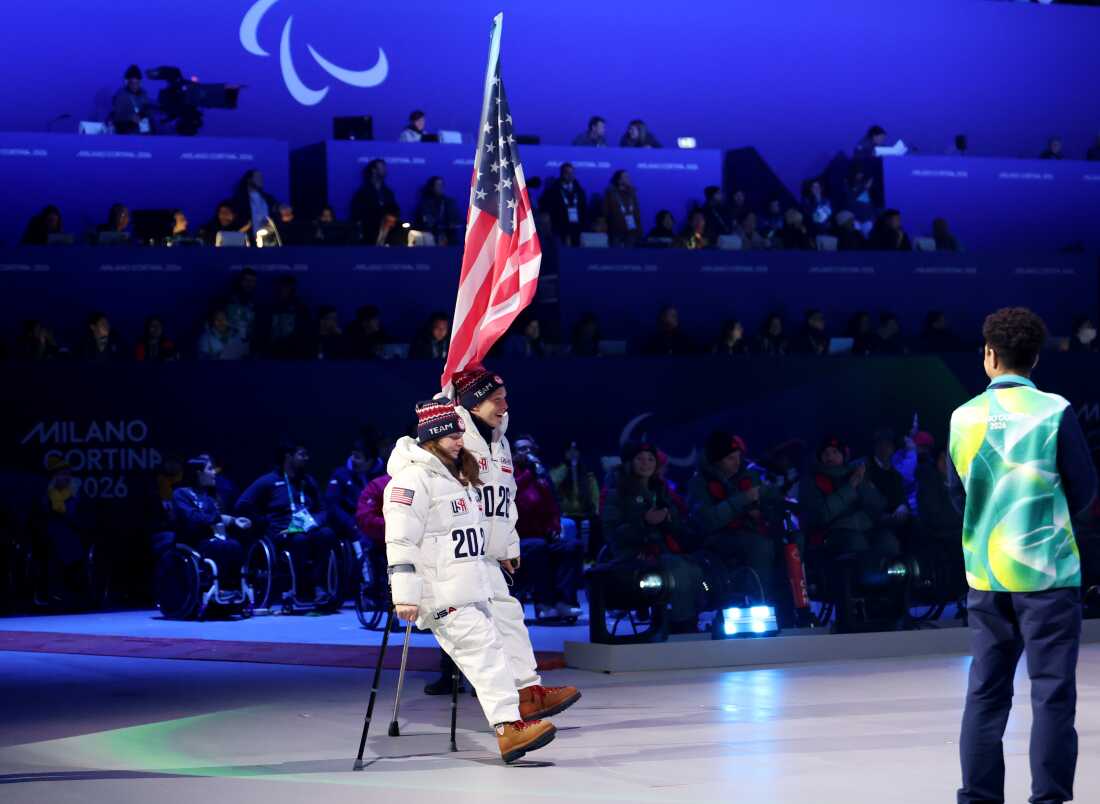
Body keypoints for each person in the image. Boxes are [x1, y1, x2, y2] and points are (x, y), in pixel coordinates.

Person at [948, 307, 1097, 804]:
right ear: (1034, 359)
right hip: (1048, 575)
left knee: (986, 694)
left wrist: (990, 524)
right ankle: (1048, 799)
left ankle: (978, 797)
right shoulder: (1055, 410)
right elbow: (1084, 488)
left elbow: (957, 494)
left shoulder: (963, 416)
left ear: (989, 355)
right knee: (1051, 693)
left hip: (986, 577)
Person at [384, 398, 570, 763]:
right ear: (432, 438)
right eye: (452, 435)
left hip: (467, 587)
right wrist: (404, 596)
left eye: (460, 433)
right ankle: (508, 730)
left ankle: (511, 725)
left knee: (493, 651)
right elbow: (400, 540)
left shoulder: (457, 476)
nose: (460, 440)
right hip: (439, 593)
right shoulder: (411, 480)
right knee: (485, 655)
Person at [450, 369, 583, 715]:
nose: (505, 406)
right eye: (497, 400)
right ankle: (507, 716)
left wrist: (508, 546)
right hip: (454, 559)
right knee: (481, 636)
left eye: (505, 398)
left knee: (510, 617)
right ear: (473, 404)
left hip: (486, 556)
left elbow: (505, 500)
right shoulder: (454, 439)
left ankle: (528, 692)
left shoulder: (501, 443)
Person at [603, 441, 704, 632]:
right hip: (632, 555)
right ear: (629, 462)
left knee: (695, 568)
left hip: (662, 550)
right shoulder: (617, 492)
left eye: (650, 459)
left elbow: (677, 526)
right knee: (676, 568)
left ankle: (689, 619)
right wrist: (644, 522)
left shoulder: (660, 489)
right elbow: (613, 533)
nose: (646, 463)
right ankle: (680, 624)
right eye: (640, 459)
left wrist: (669, 518)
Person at [236, 440, 339, 602]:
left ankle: (318, 584)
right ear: (288, 456)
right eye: (302, 455)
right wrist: (263, 521)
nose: (306, 458)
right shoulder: (269, 481)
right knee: (299, 539)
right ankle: (302, 586)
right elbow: (242, 503)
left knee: (327, 534)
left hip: (309, 528)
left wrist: (316, 520)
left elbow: (323, 509)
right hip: (283, 531)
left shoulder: (308, 481)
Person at [687, 433, 779, 606]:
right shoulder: (699, 483)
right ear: (717, 460)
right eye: (730, 458)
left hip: (752, 531)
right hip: (717, 539)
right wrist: (743, 500)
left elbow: (771, 500)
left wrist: (763, 512)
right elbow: (707, 520)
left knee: (791, 542)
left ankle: (792, 604)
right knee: (759, 546)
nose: (737, 462)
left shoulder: (749, 477)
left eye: (738, 457)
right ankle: (759, 601)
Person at [511, 437, 583, 618]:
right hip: (518, 538)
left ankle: (564, 602)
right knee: (538, 547)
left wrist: (554, 528)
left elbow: (552, 507)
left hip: (543, 536)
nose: (527, 452)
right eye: (522, 449)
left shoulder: (541, 475)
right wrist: (529, 474)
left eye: (530, 448)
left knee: (571, 547)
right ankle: (544, 602)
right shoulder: (508, 473)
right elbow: (514, 496)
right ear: (513, 453)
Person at [798, 435, 895, 558]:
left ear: (843, 455)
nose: (830, 456)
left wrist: (862, 484)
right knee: (856, 544)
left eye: (835, 452)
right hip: (834, 533)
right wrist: (850, 487)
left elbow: (878, 506)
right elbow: (819, 514)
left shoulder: (855, 474)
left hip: (866, 528)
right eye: (825, 453)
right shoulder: (812, 481)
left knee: (888, 540)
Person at [170, 457, 249, 589]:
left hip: (210, 539)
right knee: (222, 547)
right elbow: (192, 518)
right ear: (199, 473)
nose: (214, 473)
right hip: (191, 542)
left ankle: (235, 587)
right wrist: (220, 518)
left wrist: (235, 521)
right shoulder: (180, 493)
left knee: (235, 545)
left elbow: (217, 519)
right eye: (210, 469)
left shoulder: (209, 498)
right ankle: (223, 586)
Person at [32, 456, 92, 607]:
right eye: (61, 474)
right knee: (49, 547)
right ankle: (50, 594)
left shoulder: (75, 493)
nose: (66, 477)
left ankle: (72, 596)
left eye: (67, 474)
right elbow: (40, 518)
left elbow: (78, 517)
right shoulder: (46, 494)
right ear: (53, 477)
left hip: (72, 536)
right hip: (49, 538)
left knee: (68, 547)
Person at [325, 440, 374, 547]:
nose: (353, 460)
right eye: (353, 455)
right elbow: (333, 506)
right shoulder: (340, 475)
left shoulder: (372, 478)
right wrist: (352, 525)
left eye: (357, 457)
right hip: (348, 526)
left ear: (369, 461)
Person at [259, 275, 311, 359]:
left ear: (293, 289)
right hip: (273, 352)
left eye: (288, 287)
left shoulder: (300, 307)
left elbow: (304, 331)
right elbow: (266, 330)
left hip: (293, 353)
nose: (284, 289)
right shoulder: (271, 307)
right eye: (283, 286)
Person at [540, 163, 586, 246]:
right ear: (561, 173)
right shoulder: (553, 190)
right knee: (562, 250)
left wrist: (583, 227)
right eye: (567, 173)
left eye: (571, 173)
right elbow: (547, 208)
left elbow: (583, 209)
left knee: (577, 251)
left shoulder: (579, 190)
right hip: (559, 227)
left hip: (576, 227)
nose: (569, 175)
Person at [351, 160, 398, 240]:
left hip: (387, 234)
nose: (385, 170)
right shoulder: (362, 193)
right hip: (368, 234)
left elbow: (393, 211)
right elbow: (357, 215)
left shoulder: (388, 192)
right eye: (382, 167)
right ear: (373, 170)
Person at [413, 176, 461, 246]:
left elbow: (456, 219)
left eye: (441, 185)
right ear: (432, 187)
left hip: (448, 234)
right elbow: (426, 220)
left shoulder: (448, 202)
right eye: (437, 185)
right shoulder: (425, 203)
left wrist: (450, 225)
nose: (440, 187)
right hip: (431, 234)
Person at [232, 170, 280, 240]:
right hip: (249, 241)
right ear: (249, 180)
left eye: (261, 177)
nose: (261, 180)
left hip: (268, 240)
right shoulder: (240, 201)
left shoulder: (268, 199)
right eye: (258, 177)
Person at [602, 170, 641, 247]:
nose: (628, 179)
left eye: (628, 177)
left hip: (631, 230)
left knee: (630, 252)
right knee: (615, 252)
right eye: (625, 177)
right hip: (615, 229)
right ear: (619, 180)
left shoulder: (632, 193)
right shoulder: (610, 193)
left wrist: (639, 229)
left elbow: (636, 212)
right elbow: (606, 211)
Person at [111, 65, 152, 134]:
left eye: (137, 83)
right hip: (126, 131)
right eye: (132, 83)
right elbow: (116, 115)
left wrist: (145, 114)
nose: (134, 86)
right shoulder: (121, 95)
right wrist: (130, 117)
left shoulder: (144, 94)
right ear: (127, 82)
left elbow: (147, 109)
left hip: (143, 131)